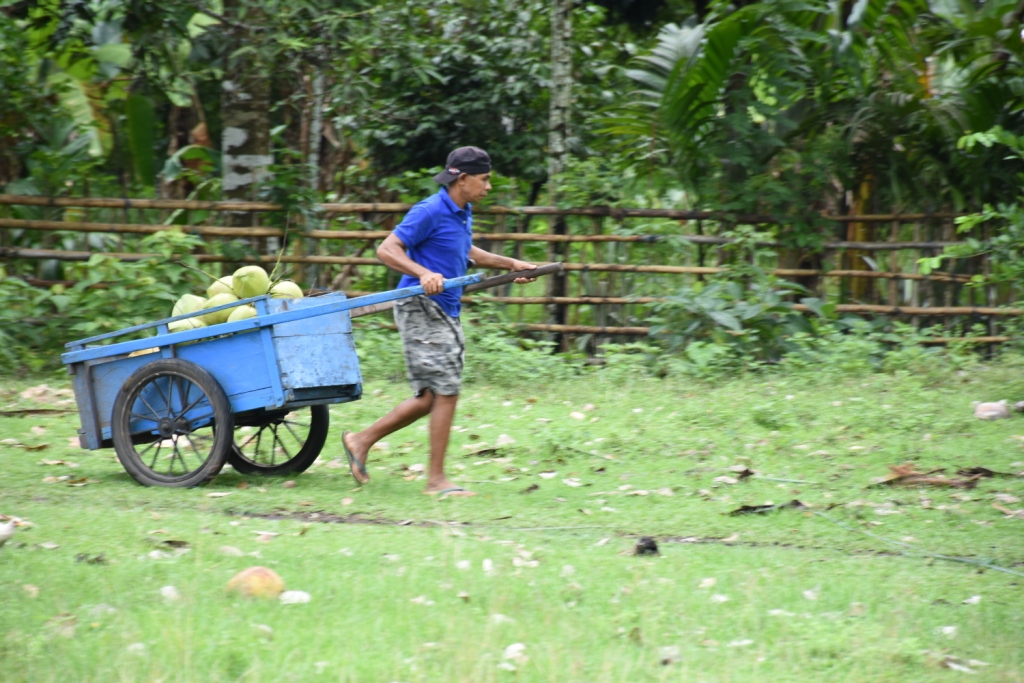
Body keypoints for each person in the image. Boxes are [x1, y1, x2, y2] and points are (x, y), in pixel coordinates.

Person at [342, 146, 536, 497]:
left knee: (431, 397)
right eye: (485, 179)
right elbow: (387, 249)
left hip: (445, 308)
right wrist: (423, 273)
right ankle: (436, 481)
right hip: (420, 306)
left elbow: (466, 251)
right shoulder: (430, 210)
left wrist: (510, 264)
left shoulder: (463, 211)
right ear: (463, 179)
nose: (488, 187)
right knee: (446, 391)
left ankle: (361, 440)